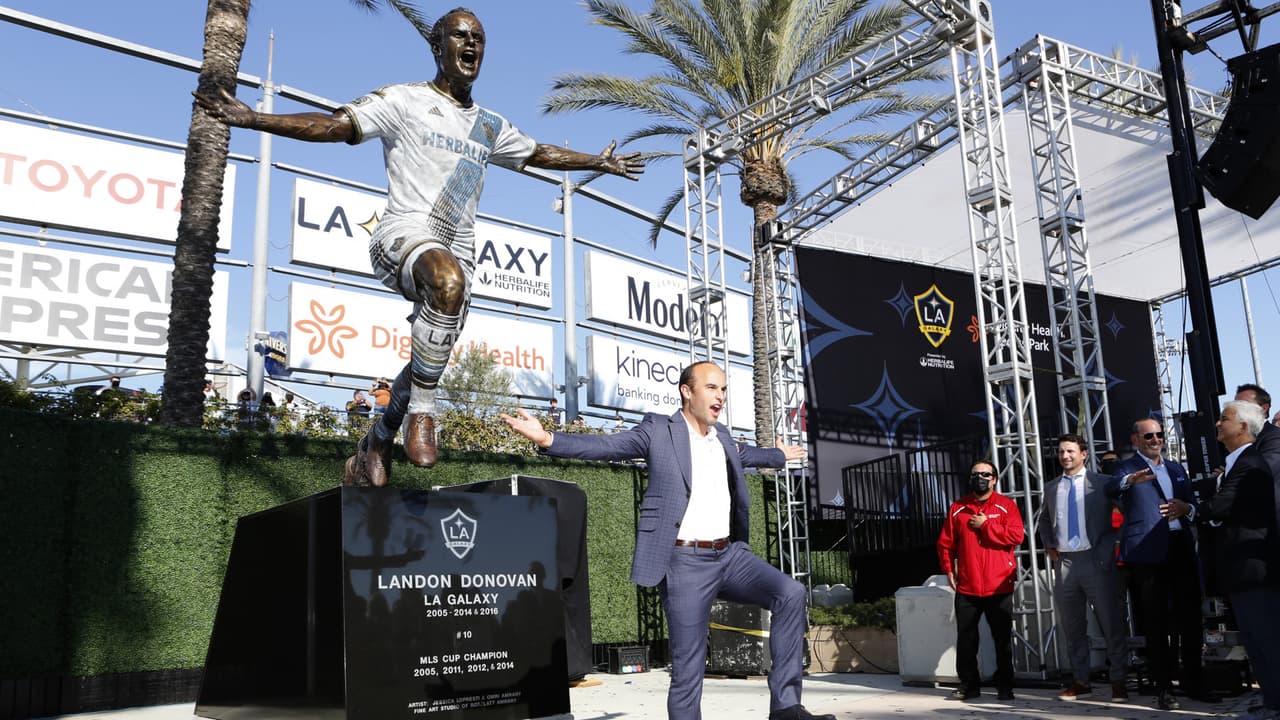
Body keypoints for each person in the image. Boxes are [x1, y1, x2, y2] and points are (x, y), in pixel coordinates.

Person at [195, 7, 643, 487]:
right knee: (445, 282)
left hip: (460, 252)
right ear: (437, 46)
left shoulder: (489, 125)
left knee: (428, 359)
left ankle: (377, 438)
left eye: (478, 39)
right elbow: (332, 126)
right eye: (460, 36)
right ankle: (424, 414)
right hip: (402, 235)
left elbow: (539, 153)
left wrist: (597, 161)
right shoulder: (403, 100)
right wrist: (255, 118)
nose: (470, 45)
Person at [500, 361, 830, 720]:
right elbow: (607, 446)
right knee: (688, 668)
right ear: (687, 391)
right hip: (684, 562)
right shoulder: (658, 430)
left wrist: (780, 455)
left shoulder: (722, 437)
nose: (720, 396)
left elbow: (749, 454)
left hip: (729, 556)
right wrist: (548, 439)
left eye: (723, 389)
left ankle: (786, 709)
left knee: (790, 593)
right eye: (712, 387)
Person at [1107, 417, 1202, 710]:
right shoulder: (1127, 467)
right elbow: (1111, 488)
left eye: (1159, 434)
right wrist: (1129, 481)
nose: (1156, 440)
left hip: (1180, 547)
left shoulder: (1176, 468)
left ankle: (1194, 682)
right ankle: (1163, 688)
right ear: (1136, 440)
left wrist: (1187, 510)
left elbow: (1191, 505)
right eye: (1149, 436)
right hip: (1147, 552)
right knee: (1156, 621)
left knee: (1190, 617)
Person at [1203, 400, 1280, 720]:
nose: (1218, 423)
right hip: (1240, 570)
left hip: (1254, 571)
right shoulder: (1237, 463)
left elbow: (1220, 507)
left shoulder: (1250, 463)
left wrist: (1190, 509)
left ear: (1243, 427)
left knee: (1266, 640)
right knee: (1256, 641)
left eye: (1225, 418)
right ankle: (1272, 701)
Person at [1038, 434, 1129, 701]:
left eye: (1070, 451)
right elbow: (1044, 520)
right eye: (1061, 452)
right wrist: (1049, 544)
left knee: (1110, 622)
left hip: (1095, 560)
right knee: (1073, 626)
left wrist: (1113, 544)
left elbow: (1128, 513)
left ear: (1084, 454)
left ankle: (1118, 681)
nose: (1065, 456)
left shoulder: (1102, 483)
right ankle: (1080, 681)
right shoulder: (1051, 487)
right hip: (1065, 563)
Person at [936, 459, 1024, 702]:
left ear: (994, 479)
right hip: (968, 585)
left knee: (1002, 639)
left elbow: (1016, 536)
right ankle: (969, 685)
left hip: (999, 584)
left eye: (985, 474)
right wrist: (948, 569)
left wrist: (987, 525)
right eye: (975, 474)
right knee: (966, 639)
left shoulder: (1006, 506)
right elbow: (945, 543)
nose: (980, 478)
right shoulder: (958, 508)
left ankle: (1005, 685)